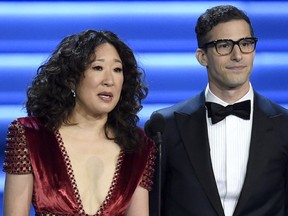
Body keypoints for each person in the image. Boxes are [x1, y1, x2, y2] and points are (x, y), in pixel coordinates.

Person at [148, 5, 288, 216]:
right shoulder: (165, 126)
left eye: (245, 44)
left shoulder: (284, 124)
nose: (237, 55)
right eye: (224, 45)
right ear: (202, 56)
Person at [3, 29, 156, 216]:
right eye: (97, 68)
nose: (109, 81)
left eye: (117, 70)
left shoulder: (138, 147)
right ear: (71, 79)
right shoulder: (30, 135)